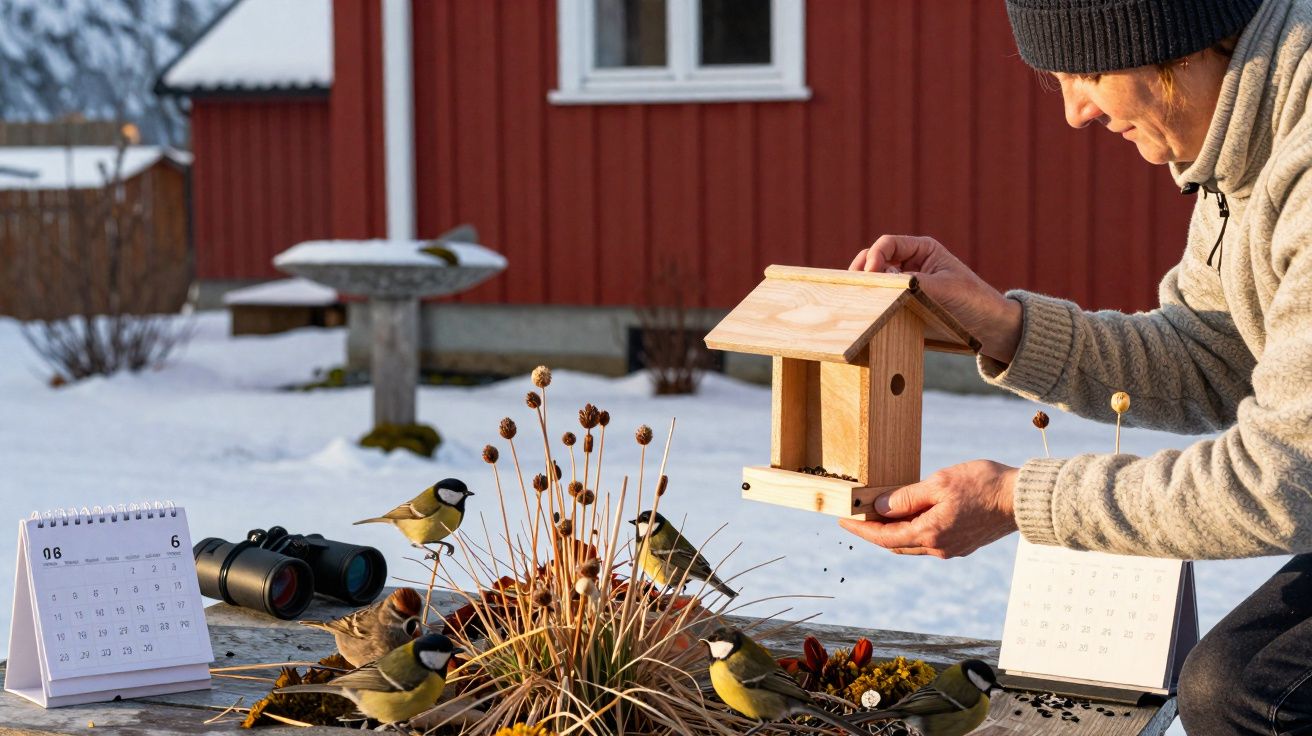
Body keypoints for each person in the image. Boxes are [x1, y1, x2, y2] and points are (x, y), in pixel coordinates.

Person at [842, 1, 1312, 733]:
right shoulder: (1243, 143)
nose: (1075, 113)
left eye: (1090, 72)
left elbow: (1281, 478)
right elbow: (1210, 356)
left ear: (1177, 45)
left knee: (1253, 693)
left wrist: (1015, 500)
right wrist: (1003, 327)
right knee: (1236, 681)